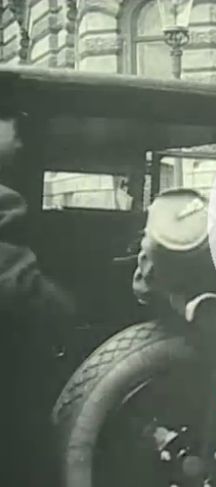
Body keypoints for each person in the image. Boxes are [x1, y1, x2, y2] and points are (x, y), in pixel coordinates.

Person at [0, 105, 76, 483]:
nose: (20, 142)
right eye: (13, 128)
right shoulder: (4, 203)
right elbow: (23, 291)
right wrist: (70, 310)